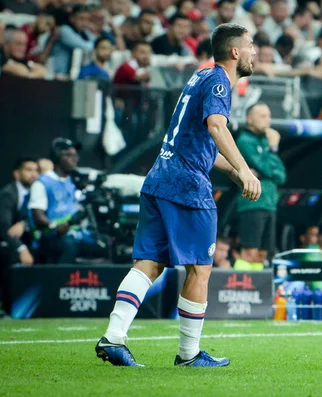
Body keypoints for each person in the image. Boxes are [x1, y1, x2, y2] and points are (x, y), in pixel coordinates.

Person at [96, 23, 260, 368]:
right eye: (250, 46)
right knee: (200, 268)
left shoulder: (199, 77)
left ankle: (113, 337)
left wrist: (232, 170)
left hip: (160, 178)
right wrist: (244, 169)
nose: (254, 52)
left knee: (149, 264)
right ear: (235, 52)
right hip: (186, 185)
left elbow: (196, 139)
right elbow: (217, 126)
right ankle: (188, 354)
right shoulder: (219, 82)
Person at [234, 103, 286, 271]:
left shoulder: (266, 140)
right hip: (252, 203)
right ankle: (239, 288)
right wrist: (273, 150)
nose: (268, 120)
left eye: (269, 116)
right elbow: (266, 167)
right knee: (249, 251)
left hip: (270, 203)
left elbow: (281, 175)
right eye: (263, 116)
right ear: (250, 119)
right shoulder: (244, 141)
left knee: (262, 254)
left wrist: (268, 169)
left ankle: (254, 290)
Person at [0, 157, 38, 315]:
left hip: (29, 239)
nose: (33, 174)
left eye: (36, 170)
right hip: (6, 242)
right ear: (17, 173)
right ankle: (7, 306)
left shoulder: (36, 193)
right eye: (28, 170)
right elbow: (3, 227)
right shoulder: (8, 194)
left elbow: (34, 219)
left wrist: (23, 224)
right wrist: (21, 249)